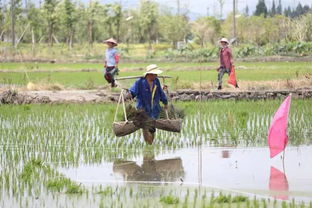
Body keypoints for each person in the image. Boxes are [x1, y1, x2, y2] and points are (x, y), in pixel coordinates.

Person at [127, 64, 168, 144]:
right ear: (149, 74)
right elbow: (132, 92)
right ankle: (148, 144)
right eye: (154, 74)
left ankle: (150, 144)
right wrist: (128, 94)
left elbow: (160, 92)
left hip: (154, 109)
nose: (156, 76)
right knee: (145, 127)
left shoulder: (156, 81)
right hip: (143, 110)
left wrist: (165, 102)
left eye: (156, 74)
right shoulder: (139, 82)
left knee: (152, 128)